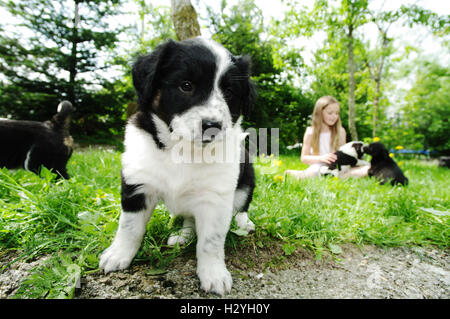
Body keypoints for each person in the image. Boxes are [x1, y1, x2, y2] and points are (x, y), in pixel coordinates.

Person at [285, 95, 369, 180]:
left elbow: (344, 154)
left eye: (336, 113)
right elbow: (304, 158)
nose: (334, 116)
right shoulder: (310, 132)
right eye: (330, 113)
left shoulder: (340, 131)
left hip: (337, 166)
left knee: (367, 168)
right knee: (314, 173)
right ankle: (298, 174)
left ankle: (336, 176)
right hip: (318, 166)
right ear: (319, 113)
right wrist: (322, 158)